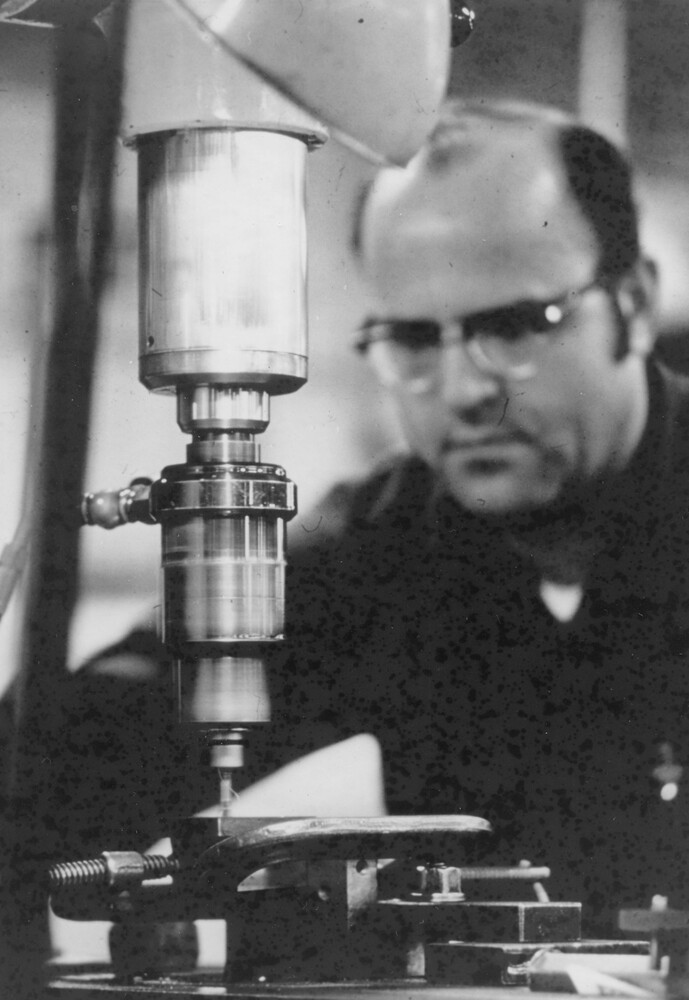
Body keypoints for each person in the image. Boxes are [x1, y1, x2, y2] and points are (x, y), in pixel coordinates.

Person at [52, 100, 689, 939]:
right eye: (413, 339)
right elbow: (80, 760)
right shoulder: (385, 547)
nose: (465, 390)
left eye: (514, 326)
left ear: (636, 303)